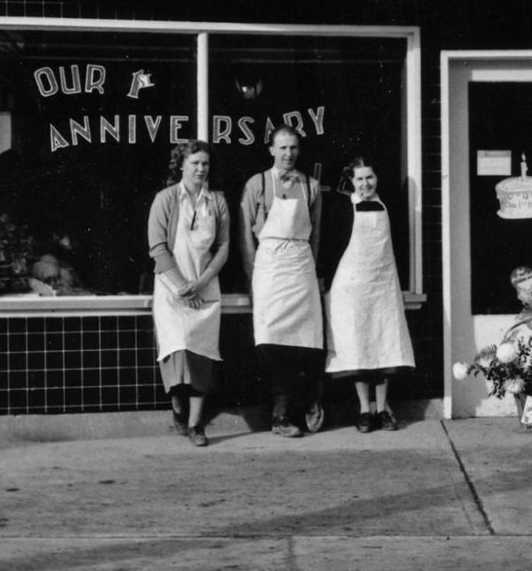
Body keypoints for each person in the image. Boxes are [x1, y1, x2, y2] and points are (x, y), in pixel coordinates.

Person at [240, 126, 325, 438]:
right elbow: (244, 237)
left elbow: (315, 235)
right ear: (271, 150)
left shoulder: (311, 186)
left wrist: (312, 270)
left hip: (300, 266)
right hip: (270, 268)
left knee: (305, 342)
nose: (288, 154)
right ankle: (281, 412)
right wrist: (252, 277)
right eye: (282, 148)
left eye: (293, 148)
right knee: (271, 341)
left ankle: (295, 410)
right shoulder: (257, 184)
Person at [322, 156, 416, 433]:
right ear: (351, 182)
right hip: (351, 288)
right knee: (358, 346)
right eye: (359, 179)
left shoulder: (391, 208)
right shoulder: (344, 209)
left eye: (369, 178)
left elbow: (398, 245)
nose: (365, 184)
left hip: (382, 286)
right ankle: (365, 409)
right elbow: (332, 247)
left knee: (383, 343)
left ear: (377, 179)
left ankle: (383, 408)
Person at [147, 140, 230, 448]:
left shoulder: (217, 202)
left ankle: (196, 424)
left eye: (205, 164)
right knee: (176, 348)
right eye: (194, 163)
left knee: (201, 354)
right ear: (181, 165)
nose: (200, 169)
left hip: (205, 286)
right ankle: (178, 403)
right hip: (172, 286)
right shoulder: (166, 199)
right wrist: (183, 287)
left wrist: (202, 282)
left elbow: (223, 246)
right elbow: (157, 247)